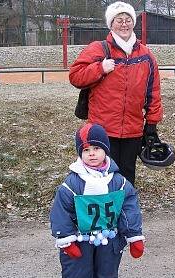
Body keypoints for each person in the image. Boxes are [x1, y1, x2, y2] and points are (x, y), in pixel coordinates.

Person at [69, 1, 163, 186]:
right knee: (103, 175)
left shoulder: (146, 55)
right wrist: (100, 68)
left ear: (133, 23)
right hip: (102, 129)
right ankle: (104, 210)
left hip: (133, 129)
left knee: (127, 176)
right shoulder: (99, 49)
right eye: (119, 20)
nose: (124, 24)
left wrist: (151, 124)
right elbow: (75, 76)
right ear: (111, 24)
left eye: (128, 19)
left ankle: (125, 211)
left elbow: (153, 92)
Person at [49, 123, 145, 278]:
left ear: (105, 150)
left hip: (109, 239)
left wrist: (134, 235)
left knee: (107, 274)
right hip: (80, 240)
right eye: (85, 150)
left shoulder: (119, 182)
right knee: (77, 275)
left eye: (96, 148)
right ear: (80, 154)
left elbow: (128, 207)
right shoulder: (71, 185)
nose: (91, 153)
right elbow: (61, 212)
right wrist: (66, 239)